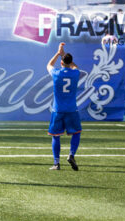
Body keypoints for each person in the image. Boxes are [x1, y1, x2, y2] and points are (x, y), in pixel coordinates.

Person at [46, 43, 81, 171]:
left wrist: (58, 53)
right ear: (70, 62)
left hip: (58, 109)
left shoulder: (56, 73)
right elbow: (75, 66)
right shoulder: (75, 73)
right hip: (72, 109)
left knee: (56, 135)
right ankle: (71, 154)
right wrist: (65, 56)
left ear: (61, 63)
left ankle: (56, 163)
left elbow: (48, 65)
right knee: (76, 133)